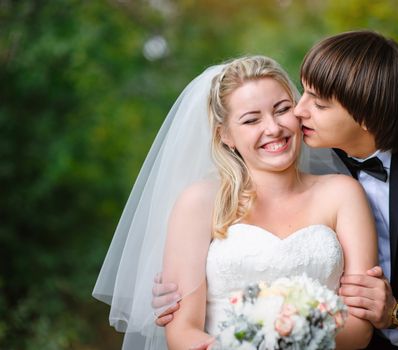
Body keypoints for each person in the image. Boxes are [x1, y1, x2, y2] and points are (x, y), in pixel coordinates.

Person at [155, 31, 398, 349]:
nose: (296, 115)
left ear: (365, 114)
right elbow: (185, 320)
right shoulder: (322, 152)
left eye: (316, 103)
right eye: (300, 96)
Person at [94, 55, 378, 349]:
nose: (273, 128)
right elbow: (182, 332)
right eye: (252, 120)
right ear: (225, 134)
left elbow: (359, 327)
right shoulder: (199, 203)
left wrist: (294, 341)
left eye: (282, 110)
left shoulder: (343, 193)